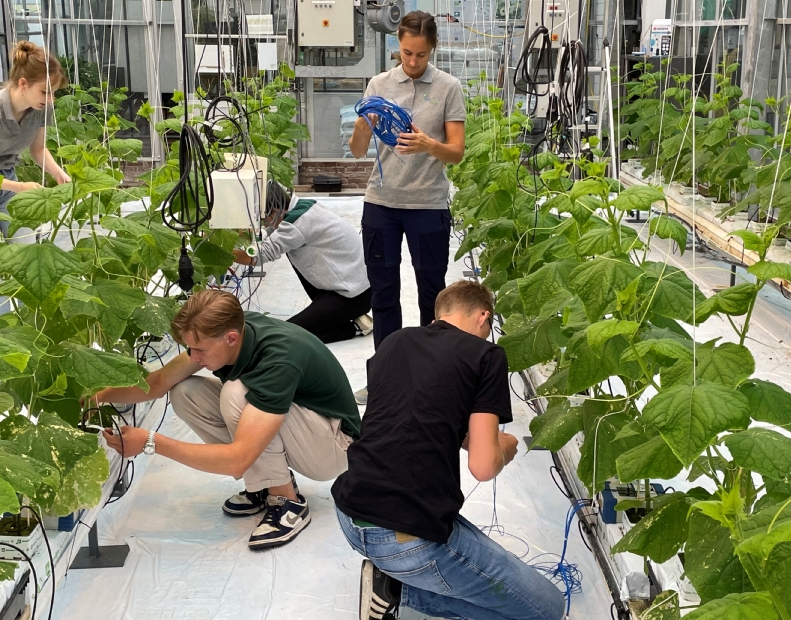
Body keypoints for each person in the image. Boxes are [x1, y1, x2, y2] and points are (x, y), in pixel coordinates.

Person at [331, 281, 565, 620]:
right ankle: (398, 591)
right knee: (545, 609)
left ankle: (391, 579)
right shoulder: (486, 356)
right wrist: (504, 448)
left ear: (440, 314)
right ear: (484, 317)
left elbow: (420, 417)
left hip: (351, 511)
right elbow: (483, 468)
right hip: (404, 537)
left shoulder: (394, 342)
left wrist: (478, 439)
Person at [95, 290, 360, 549]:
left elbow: (237, 460)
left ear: (231, 338)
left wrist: (150, 442)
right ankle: (266, 484)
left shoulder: (278, 359)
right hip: (305, 428)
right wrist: (96, 395)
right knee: (185, 392)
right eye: (189, 348)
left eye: (199, 350)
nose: (193, 357)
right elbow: (159, 382)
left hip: (333, 447)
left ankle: (286, 501)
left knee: (235, 393)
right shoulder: (229, 331)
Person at [349, 11, 466, 404]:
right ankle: (386, 378)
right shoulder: (378, 84)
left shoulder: (449, 87)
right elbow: (357, 150)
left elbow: (456, 153)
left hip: (428, 205)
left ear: (432, 49)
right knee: (383, 295)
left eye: (420, 55)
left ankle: (432, 379)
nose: (412, 62)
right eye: (406, 53)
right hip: (382, 203)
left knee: (432, 294)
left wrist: (427, 144)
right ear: (396, 45)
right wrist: (363, 126)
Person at [0, 41, 71, 320]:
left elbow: (38, 150)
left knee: (26, 257)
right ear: (22, 83)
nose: (50, 99)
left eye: (54, 93)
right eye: (45, 92)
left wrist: (59, 173)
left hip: (6, 180)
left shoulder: (41, 107)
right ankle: (3, 340)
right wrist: (20, 187)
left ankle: (24, 330)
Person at [232, 181, 373, 344]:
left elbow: (257, 256)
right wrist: (248, 234)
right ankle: (331, 315)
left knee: (288, 336)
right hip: (352, 286)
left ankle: (355, 328)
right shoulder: (303, 207)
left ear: (276, 211)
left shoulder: (297, 224)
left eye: (264, 219)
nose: (264, 224)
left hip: (351, 296)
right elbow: (273, 230)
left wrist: (223, 253)